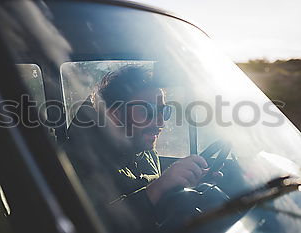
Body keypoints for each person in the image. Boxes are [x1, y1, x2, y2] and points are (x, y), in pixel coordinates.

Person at [65, 66, 220, 233]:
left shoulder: (146, 154)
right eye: (148, 111)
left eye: (164, 111)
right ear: (114, 115)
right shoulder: (77, 164)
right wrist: (157, 189)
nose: (161, 123)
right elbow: (87, 225)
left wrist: (189, 183)